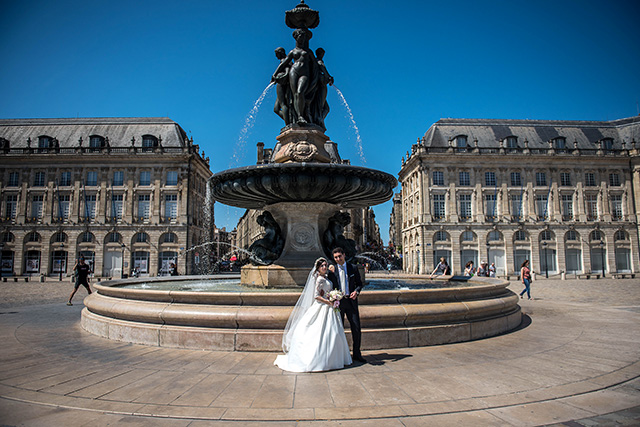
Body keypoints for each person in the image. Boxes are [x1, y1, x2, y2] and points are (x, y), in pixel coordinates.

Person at [274, 257, 352, 372]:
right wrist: (329, 301)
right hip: (323, 306)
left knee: (332, 333)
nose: (324, 267)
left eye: (325, 265)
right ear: (318, 268)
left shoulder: (325, 277)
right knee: (322, 333)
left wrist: (333, 298)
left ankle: (330, 359)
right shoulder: (320, 279)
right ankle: (322, 359)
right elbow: (316, 296)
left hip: (329, 307)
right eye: (322, 266)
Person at [327, 247, 366, 363]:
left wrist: (357, 292)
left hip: (351, 301)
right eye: (336, 257)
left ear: (344, 255)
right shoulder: (332, 272)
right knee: (339, 329)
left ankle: (357, 353)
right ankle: (340, 355)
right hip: (339, 303)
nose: (338, 259)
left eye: (340, 256)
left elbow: (359, 284)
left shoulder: (352, 268)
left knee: (356, 328)